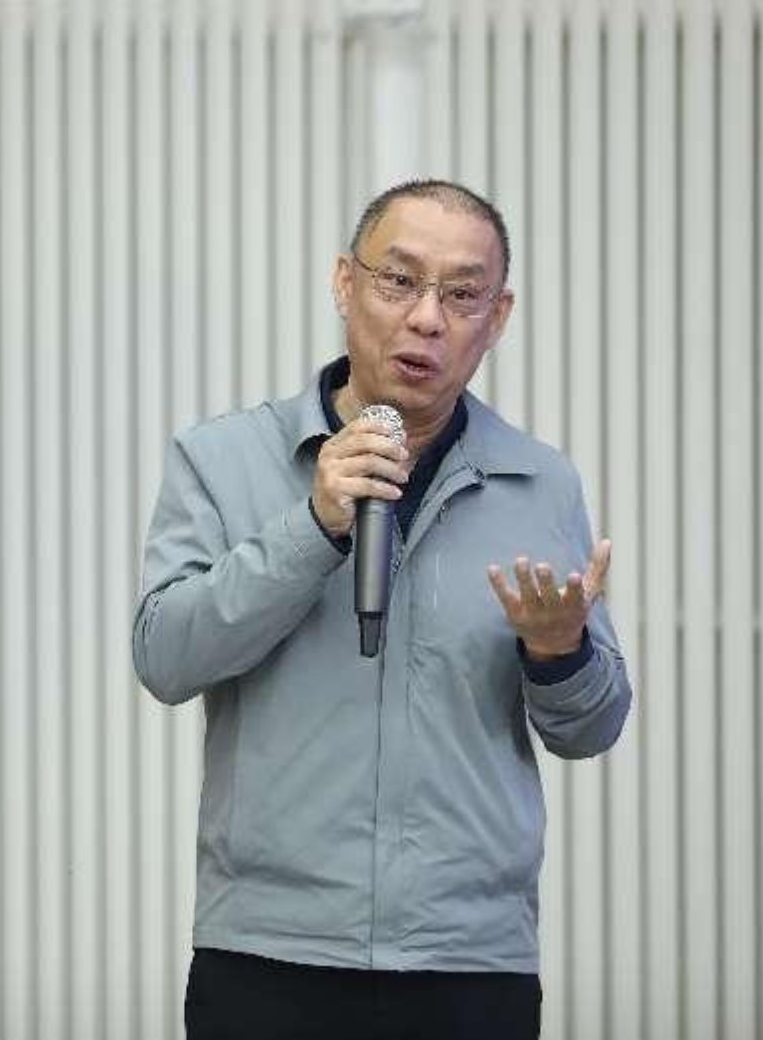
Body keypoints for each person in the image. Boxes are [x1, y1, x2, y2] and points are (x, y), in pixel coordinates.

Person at [132, 179, 632, 1039]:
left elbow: (592, 726)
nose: (426, 318)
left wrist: (561, 654)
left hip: (468, 961)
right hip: (269, 953)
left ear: (497, 317)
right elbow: (165, 657)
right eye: (398, 281)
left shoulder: (538, 482)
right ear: (344, 282)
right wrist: (311, 525)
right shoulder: (221, 457)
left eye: (462, 294)